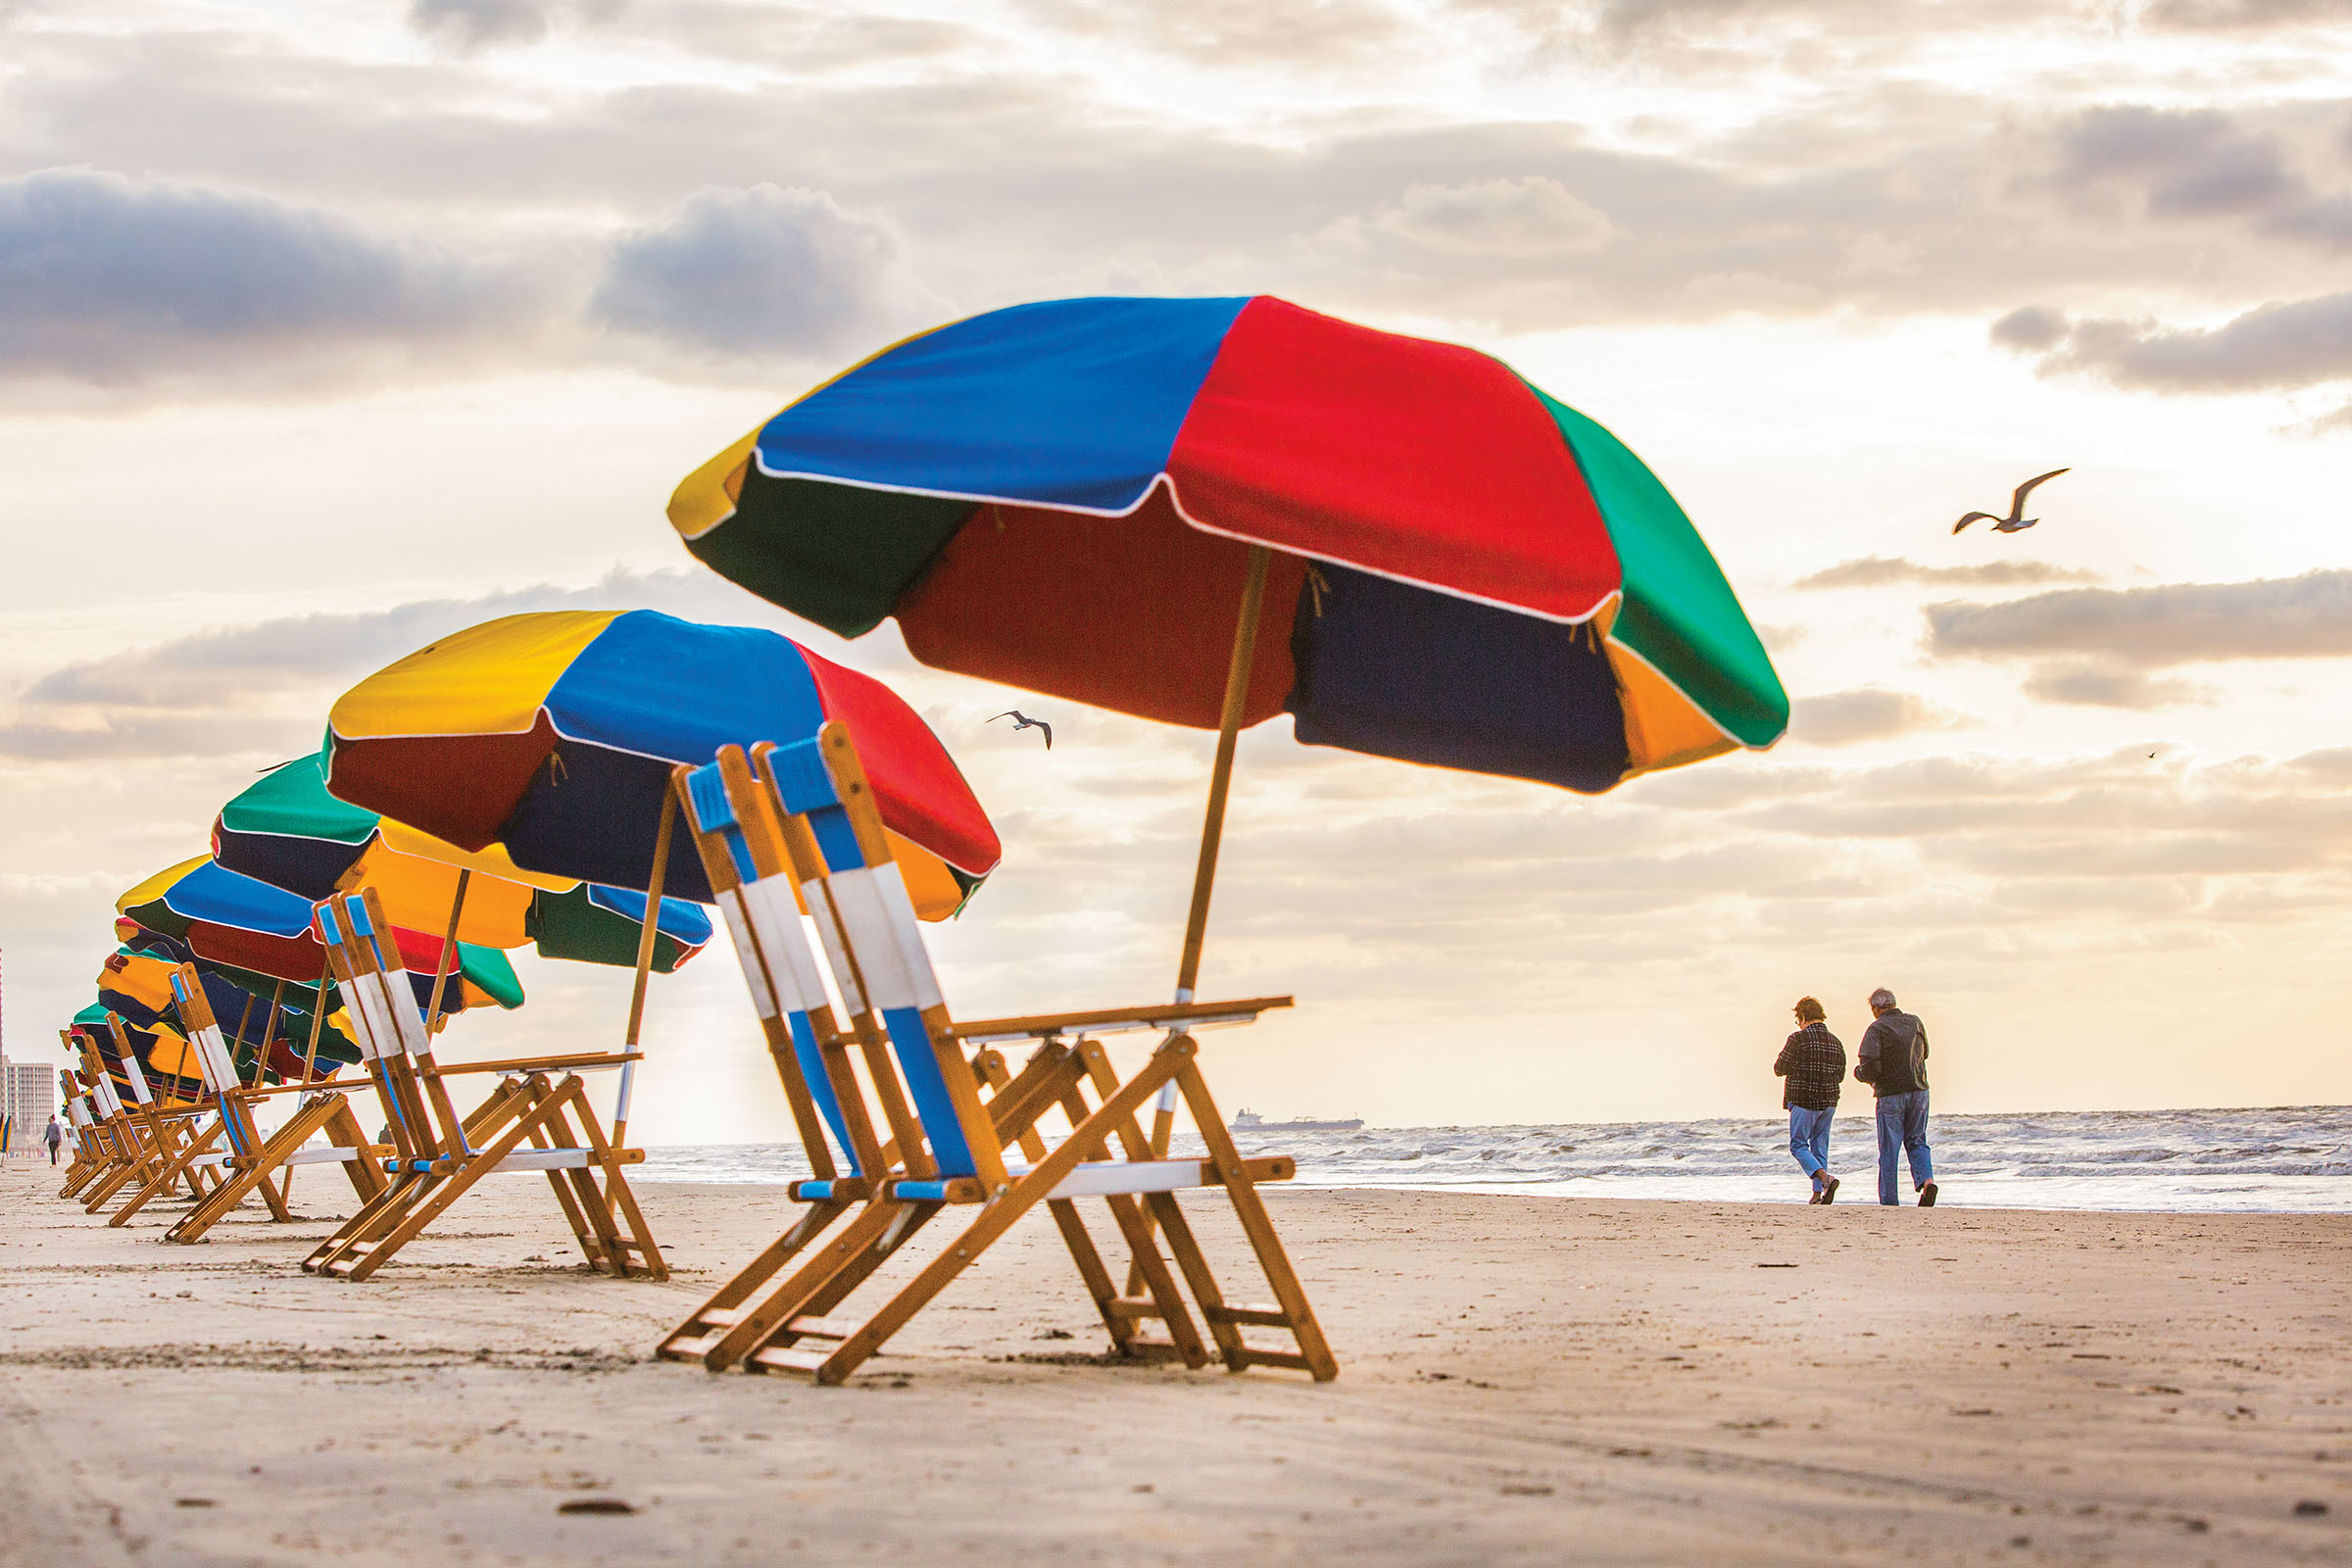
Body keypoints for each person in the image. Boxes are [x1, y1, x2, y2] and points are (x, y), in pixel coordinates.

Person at [1855, 987, 1936, 1206]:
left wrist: (1859, 1074)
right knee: (1917, 1140)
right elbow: (1925, 1052)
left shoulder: (1876, 1028)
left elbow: (1869, 1064)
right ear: (1894, 1003)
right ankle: (1927, 1181)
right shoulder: (1915, 1022)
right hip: (1919, 1090)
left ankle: (1890, 1200)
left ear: (1875, 1009)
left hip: (1891, 1094)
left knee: (1889, 1150)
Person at [1773, 997, 1845, 1203]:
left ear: (1802, 1016)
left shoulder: (1797, 1039)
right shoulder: (1835, 1042)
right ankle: (1817, 1194)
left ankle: (1825, 1178)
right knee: (1819, 1146)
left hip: (1804, 1101)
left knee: (1798, 1146)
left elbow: (1779, 1068)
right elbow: (1840, 1074)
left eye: (1798, 1019)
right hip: (1829, 1101)